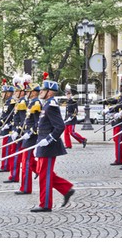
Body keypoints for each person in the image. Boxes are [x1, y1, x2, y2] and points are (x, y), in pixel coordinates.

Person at [30, 73, 75, 213]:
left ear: (49, 92)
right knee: (43, 173)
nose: (40, 92)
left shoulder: (51, 105)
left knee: (45, 175)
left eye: (43, 90)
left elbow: (60, 126)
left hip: (49, 147)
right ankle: (66, 189)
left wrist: (48, 139)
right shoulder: (46, 105)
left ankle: (45, 204)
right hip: (43, 145)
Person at [63, 84, 87, 149]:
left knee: (72, 132)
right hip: (67, 119)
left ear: (71, 95)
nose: (67, 95)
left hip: (72, 119)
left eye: (68, 94)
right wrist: (65, 119)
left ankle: (83, 140)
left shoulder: (74, 102)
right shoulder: (67, 102)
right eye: (66, 94)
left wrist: (72, 117)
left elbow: (76, 111)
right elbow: (67, 112)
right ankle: (68, 145)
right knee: (66, 133)